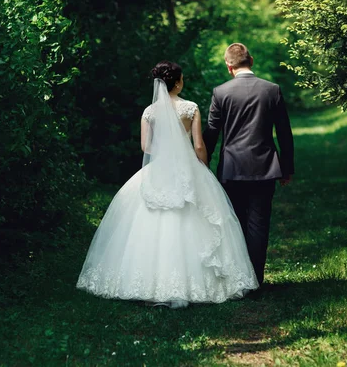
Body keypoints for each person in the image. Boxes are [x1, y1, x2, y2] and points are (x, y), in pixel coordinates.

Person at [76, 61, 258, 308]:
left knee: (146, 223)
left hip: (159, 168)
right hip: (187, 168)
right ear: (178, 82)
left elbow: (145, 147)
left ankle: (148, 282)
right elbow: (199, 145)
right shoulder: (190, 109)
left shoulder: (149, 112)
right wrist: (202, 166)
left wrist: (164, 155)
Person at [203, 43, 295, 286]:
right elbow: (284, 132)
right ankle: (255, 280)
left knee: (235, 224)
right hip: (265, 168)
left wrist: (202, 161)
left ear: (228, 66)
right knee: (259, 224)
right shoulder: (271, 90)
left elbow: (212, 131)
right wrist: (287, 168)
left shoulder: (221, 92)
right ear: (251, 61)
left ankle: (238, 279)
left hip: (232, 169)